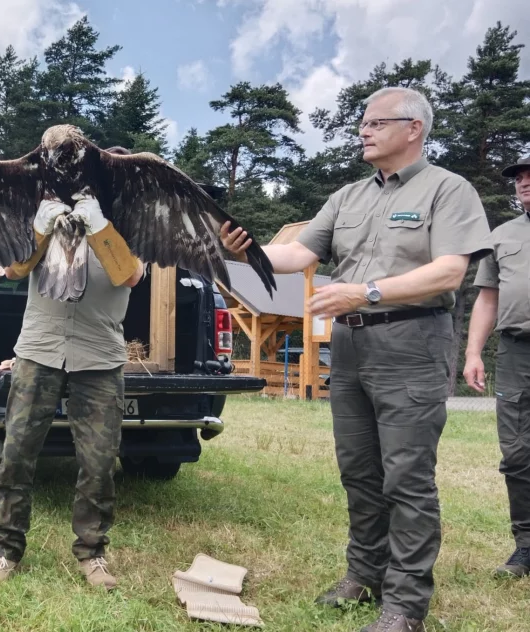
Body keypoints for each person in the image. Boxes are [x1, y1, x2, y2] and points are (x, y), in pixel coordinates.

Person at [221, 87, 491, 632]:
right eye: (361, 124)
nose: (363, 131)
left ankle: (405, 605)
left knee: (407, 477)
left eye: (375, 123)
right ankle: (363, 575)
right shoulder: (347, 196)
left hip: (411, 342)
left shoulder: (449, 189)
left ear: (413, 128)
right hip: (350, 346)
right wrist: (237, 249)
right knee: (360, 471)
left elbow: (449, 273)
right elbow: (297, 254)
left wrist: (363, 292)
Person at [0, 146, 145, 590]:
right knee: (17, 453)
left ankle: (92, 554)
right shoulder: (50, 219)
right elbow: (15, 269)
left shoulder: (125, 229)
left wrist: (99, 226)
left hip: (100, 355)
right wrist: (38, 226)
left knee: (99, 460)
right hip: (39, 349)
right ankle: (4, 551)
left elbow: (129, 274)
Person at [464, 155, 530, 578]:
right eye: (521, 179)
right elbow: (487, 298)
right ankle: (526, 547)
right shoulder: (501, 236)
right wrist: (473, 353)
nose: (524, 184)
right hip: (517, 352)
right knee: (518, 452)